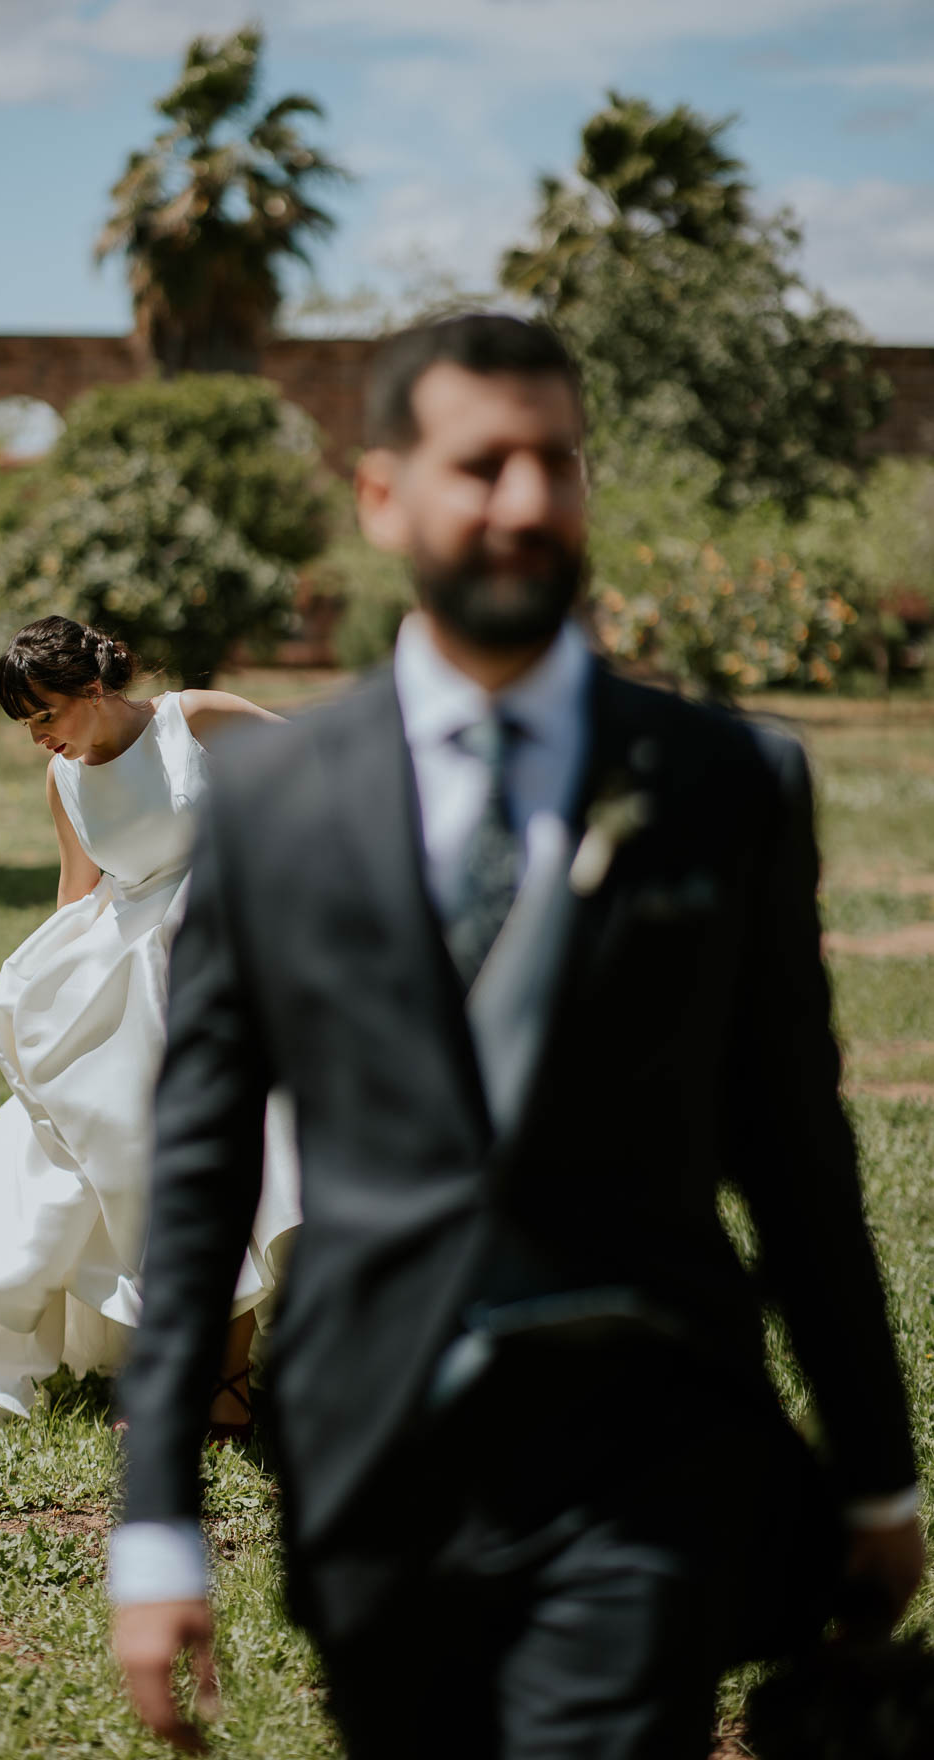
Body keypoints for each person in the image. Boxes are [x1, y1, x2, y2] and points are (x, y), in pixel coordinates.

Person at [110, 316, 924, 1759]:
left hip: (648, 1453)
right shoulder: (271, 810)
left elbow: (799, 1154)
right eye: (482, 464)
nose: (527, 501)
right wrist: (158, 1521)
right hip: (372, 1457)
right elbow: (198, 1178)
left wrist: (875, 1472)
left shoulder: (727, 783)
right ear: (383, 499)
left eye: (557, 462)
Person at [0, 616, 300, 1432]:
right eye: (25, 726)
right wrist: (53, 998)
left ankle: (228, 1383)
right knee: (127, 1168)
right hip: (135, 971)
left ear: (92, 689)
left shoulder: (193, 721)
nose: (37, 740)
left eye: (44, 716)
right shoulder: (63, 781)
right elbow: (78, 894)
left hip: (228, 951)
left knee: (240, 1152)